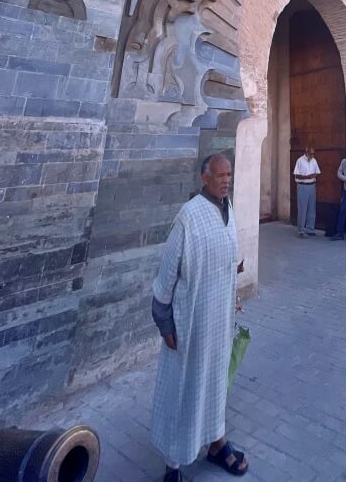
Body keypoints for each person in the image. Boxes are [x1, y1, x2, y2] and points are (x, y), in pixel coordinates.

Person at [150, 154, 249, 480]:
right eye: (219, 175)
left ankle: (216, 442)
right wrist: (164, 321)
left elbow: (226, 254)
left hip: (218, 322)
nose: (225, 180)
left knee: (216, 383)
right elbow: (167, 273)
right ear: (204, 178)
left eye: (229, 174)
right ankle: (173, 464)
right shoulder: (189, 216)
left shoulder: (227, 208)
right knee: (184, 388)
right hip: (190, 324)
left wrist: (232, 279)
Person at [293, 145, 321, 237]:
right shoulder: (300, 161)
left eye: (313, 154)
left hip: (312, 186)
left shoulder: (314, 161)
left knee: (311, 208)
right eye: (311, 153)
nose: (312, 155)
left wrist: (314, 175)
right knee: (302, 209)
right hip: (303, 186)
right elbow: (296, 175)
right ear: (306, 152)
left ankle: (310, 229)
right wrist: (307, 177)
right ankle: (301, 230)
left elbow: (317, 171)